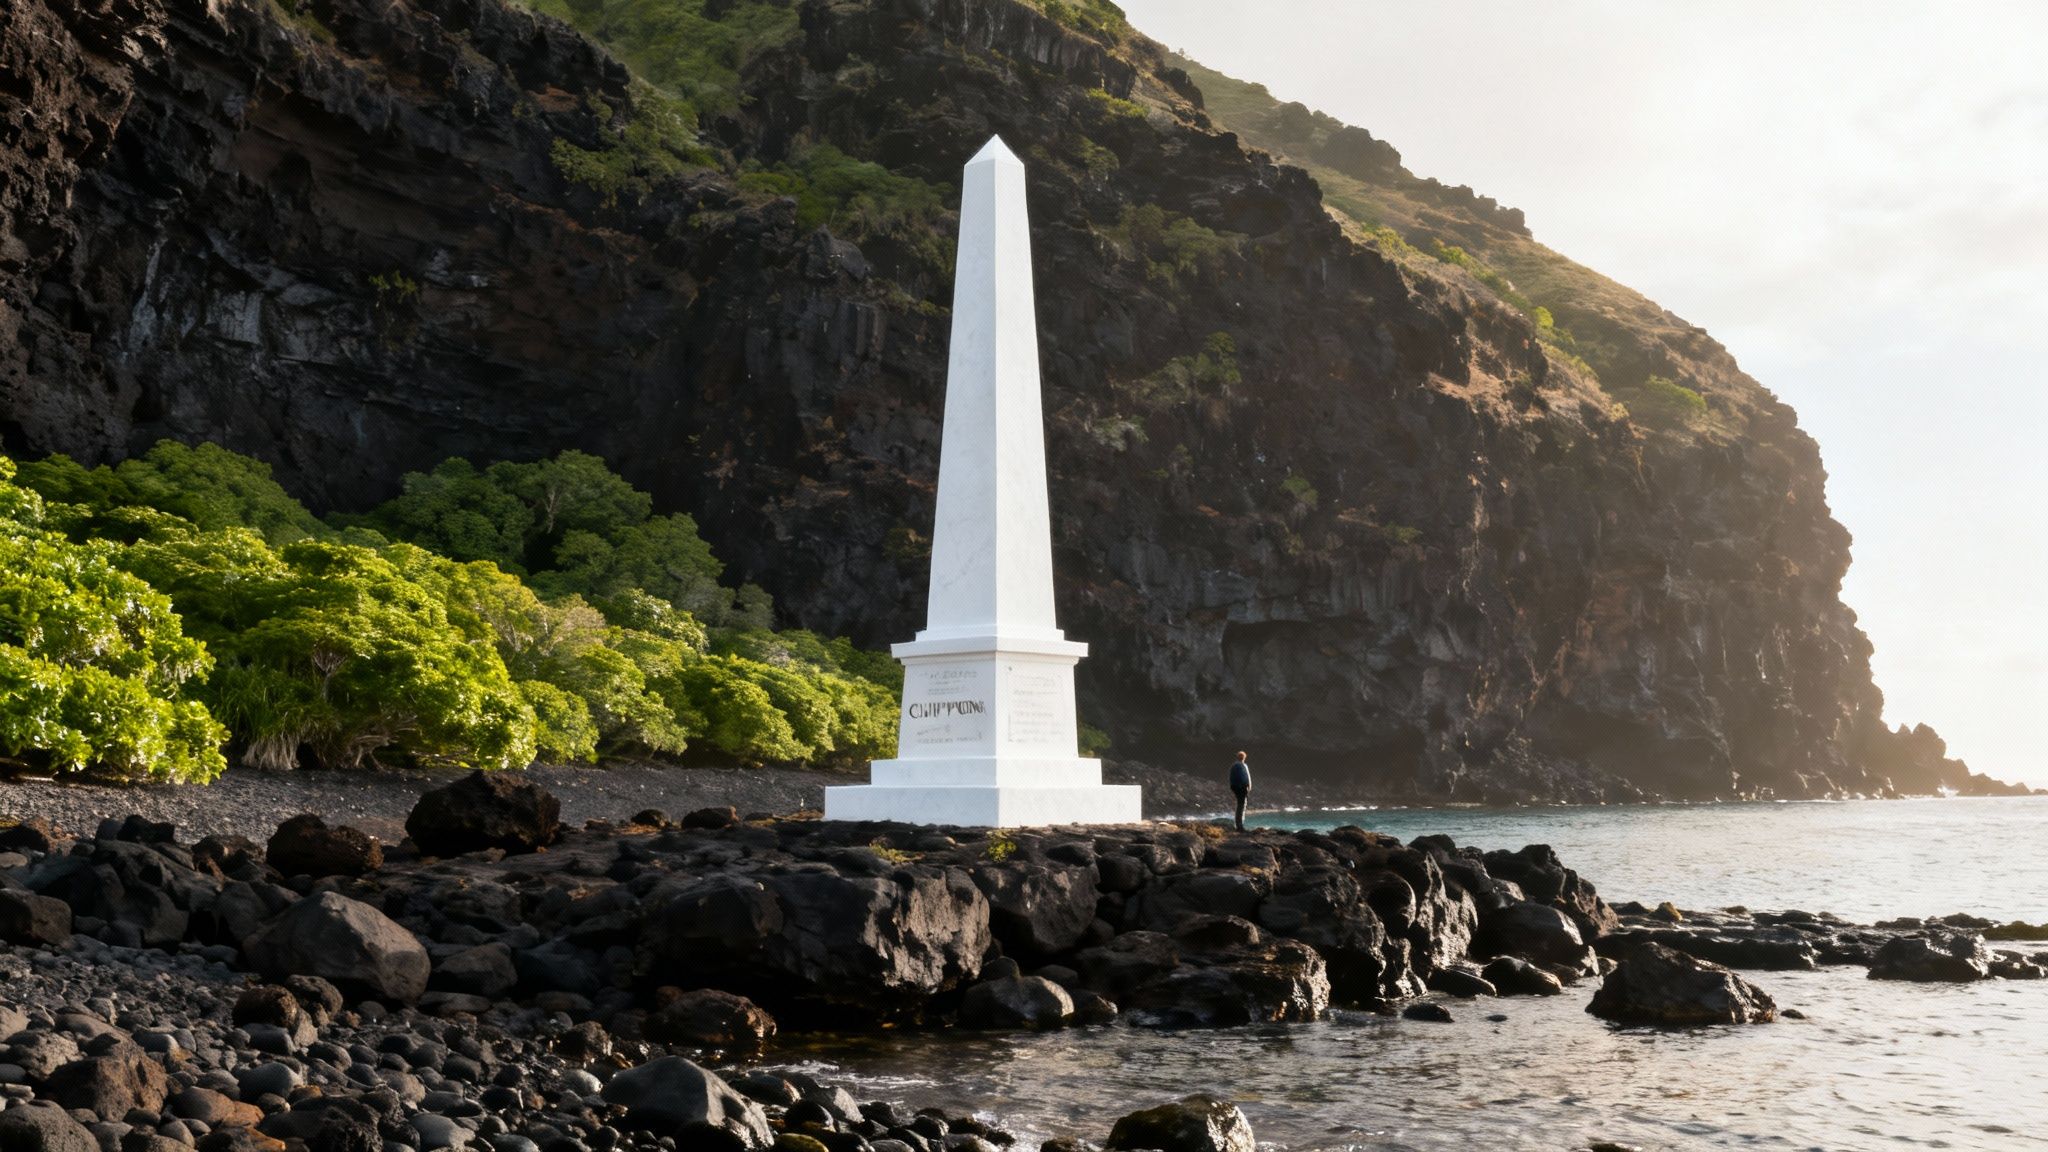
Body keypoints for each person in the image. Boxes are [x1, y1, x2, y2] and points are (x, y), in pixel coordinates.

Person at [1228, 751, 1252, 831]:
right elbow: (1243, 777)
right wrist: (1245, 786)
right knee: (1241, 805)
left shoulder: (1237, 765)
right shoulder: (1240, 765)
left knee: (1241, 805)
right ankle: (1239, 825)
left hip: (1238, 787)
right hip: (1241, 787)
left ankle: (1239, 824)